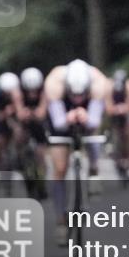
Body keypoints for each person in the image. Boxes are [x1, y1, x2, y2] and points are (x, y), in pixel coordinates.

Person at [45, 59, 108, 245]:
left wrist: (86, 118)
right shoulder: (54, 83)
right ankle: (61, 221)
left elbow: (95, 121)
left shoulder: (98, 83)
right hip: (62, 114)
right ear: (67, 88)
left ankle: (94, 169)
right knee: (60, 167)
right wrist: (68, 118)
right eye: (74, 94)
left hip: (87, 115)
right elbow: (57, 122)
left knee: (92, 134)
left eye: (82, 94)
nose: (78, 98)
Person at [16, 67, 50, 198]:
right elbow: (19, 113)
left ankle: (42, 182)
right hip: (25, 125)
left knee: (40, 154)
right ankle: (19, 160)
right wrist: (24, 114)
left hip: (39, 125)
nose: (32, 93)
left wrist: (32, 113)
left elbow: (41, 113)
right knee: (19, 135)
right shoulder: (18, 93)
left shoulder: (44, 93)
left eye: (35, 90)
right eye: (29, 90)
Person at [104, 69, 129, 181]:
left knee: (127, 132)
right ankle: (110, 143)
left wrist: (124, 109)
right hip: (114, 110)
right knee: (111, 128)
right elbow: (108, 108)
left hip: (126, 111)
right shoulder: (108, 86)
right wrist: (115, 109)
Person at [0, 72, 21, 177]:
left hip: (14, 116)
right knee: (0, 141)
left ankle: (19, 157)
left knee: (19, 133)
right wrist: (7, 112)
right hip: (0, 118)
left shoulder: (19, 93)